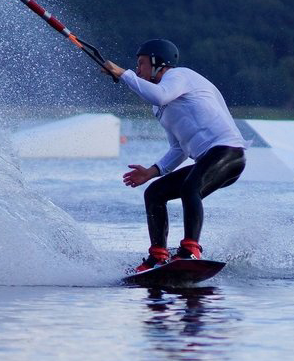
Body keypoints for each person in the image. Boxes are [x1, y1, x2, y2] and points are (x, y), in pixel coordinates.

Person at [102, 39, 246, 272]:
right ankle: (158, 256)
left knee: (190, 188)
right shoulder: (159, 107)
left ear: (158, 62)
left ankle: (190, 250)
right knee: (154, 193)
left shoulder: (179, 76)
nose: (138, 69)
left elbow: (159, 95)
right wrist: (151, 172)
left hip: (228, 152)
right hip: (207, 160)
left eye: (141, 63)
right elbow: (179, 148)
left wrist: (123, 73)